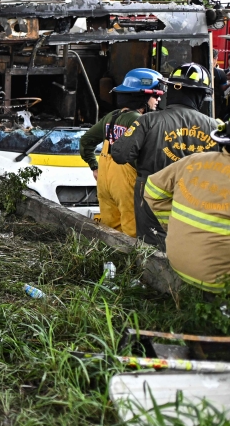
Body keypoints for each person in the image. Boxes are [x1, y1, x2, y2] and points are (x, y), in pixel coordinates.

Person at [111, 62, 220, 249]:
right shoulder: (216, 128)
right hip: (196, 199)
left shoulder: (148, 121)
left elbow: (120, 154)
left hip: (151, 199)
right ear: (201, 95)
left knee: (152, 250)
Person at [78, 68, 164, 238]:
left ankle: (110, 264)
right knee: (132, 234)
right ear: (142, 96)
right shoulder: (140, 121)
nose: (158, 99)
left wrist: (94, 166)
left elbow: (85, 141)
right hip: (126, 184)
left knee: (109, 232)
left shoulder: (111, 117)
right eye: (155, 95)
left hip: (104, 180)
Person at [143, 126, 230, 292]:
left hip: (179, 265)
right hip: (218, 281)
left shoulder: (194, 160)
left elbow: (153, 189)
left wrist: (174, 225)